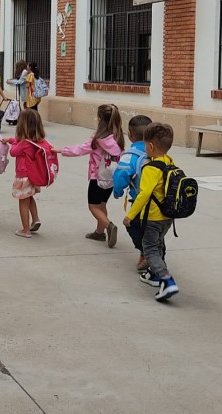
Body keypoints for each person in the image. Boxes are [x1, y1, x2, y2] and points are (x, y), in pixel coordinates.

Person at [122, 123, 179, 302]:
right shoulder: (170, 162)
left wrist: (130, 215)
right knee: (159, 244)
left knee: (150, 249)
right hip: (168, 216)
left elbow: (143, 194)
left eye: (146, 145)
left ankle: (166, 280)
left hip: (153, 217)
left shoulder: (150, 168)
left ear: (151, 147)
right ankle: (154, 275)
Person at [60, 104, 124, 246]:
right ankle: (99, 232)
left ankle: (109, 226)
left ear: (100, 119)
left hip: (97, 177)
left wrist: (60, 150)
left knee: (93, 206)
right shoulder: (118, 137)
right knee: (102, 204)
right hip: (110, 178)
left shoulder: (97, 138)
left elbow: (80, 150)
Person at [114, 115, 153, 271]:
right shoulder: (158, 151)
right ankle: (153, 254)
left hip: (141, 202)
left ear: (129, 134)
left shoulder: (130, 156)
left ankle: (145, 253)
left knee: (132, 226)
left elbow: (120, 177)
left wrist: (117, 191)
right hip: (162, 202)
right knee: (155, 230)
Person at [8, 110, 50, 238]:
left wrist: (14, 142)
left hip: (23, 176)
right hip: (33, 176)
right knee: (29, 197)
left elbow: (13, 152)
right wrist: (12, 140)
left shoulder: (24, 143)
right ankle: (35, 219)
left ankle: (25, 229)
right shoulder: (39, 141)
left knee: (23, 201)